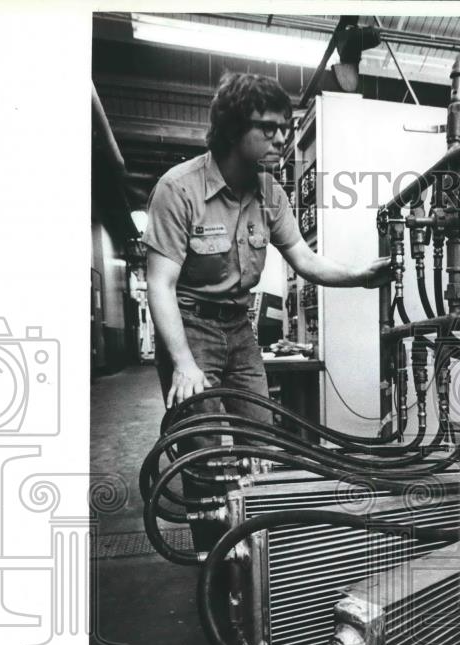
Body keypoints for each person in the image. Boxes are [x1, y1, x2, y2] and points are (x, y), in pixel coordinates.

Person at [143, 71, 391, 425]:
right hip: (190, 326)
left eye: (284, 128)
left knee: (262, 432)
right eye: (267, 128)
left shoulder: (270, 192)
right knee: (202, 441)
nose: (280, 139)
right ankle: (208, 478)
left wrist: (360, 276)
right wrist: (183, 363)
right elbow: (160, 284)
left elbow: (304, 258)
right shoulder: (179, 189)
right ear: (232, 129)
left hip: (240, 328)